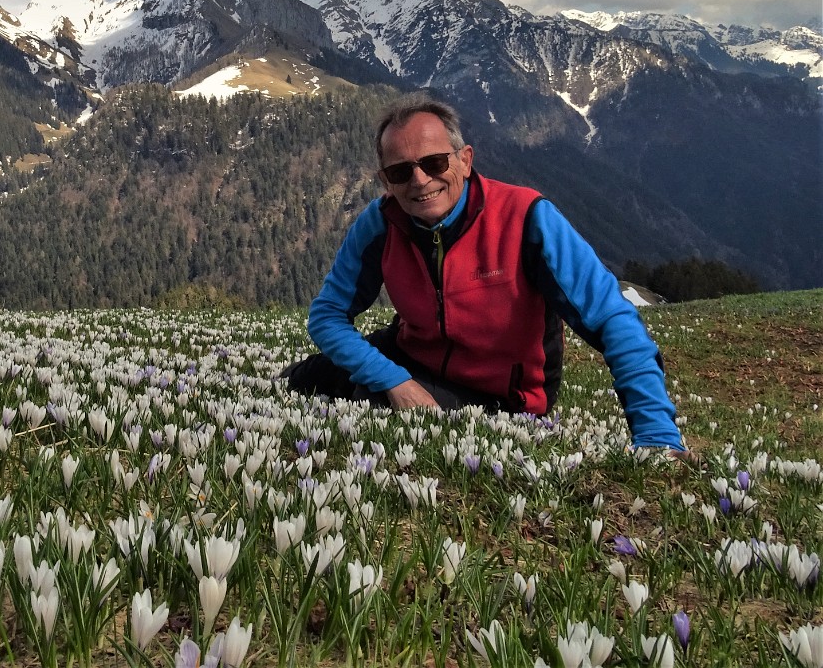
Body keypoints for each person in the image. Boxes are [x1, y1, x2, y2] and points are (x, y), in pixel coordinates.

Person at [282, 92, 686, 453]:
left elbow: (611, 317)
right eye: (401, 172)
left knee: (370, 409)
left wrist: (655, 434)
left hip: (501, 394)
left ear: (465, 159)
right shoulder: (381, 222)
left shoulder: (526, 217)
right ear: (386, 181)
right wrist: (395, 380)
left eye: (434, 162)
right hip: (411, 357)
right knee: (300, 380)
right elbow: (327, 315)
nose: (420, 181)